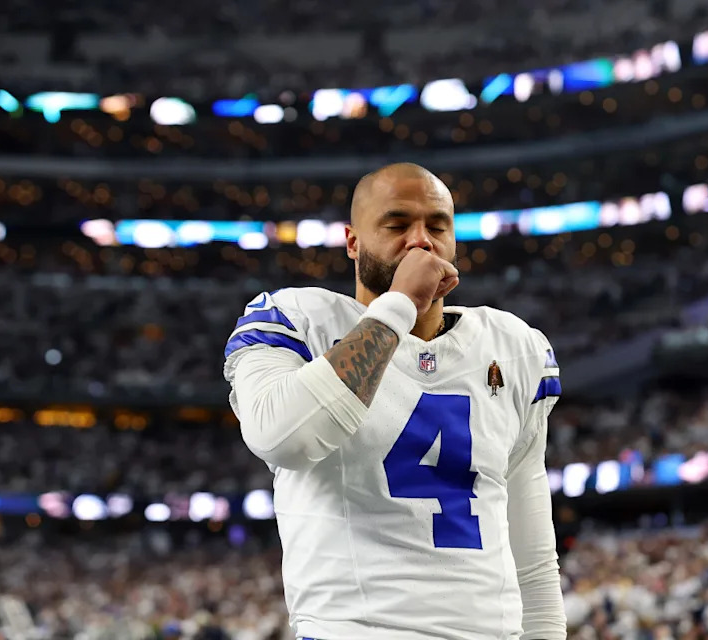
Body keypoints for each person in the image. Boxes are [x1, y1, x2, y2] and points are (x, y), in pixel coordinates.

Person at [223, 163, 567, 640]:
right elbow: (282, 438)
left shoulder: (513, 347)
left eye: (437, 227)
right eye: (397, 225)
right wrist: (400, 305)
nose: (420, 241)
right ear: (352, 242)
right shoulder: (298, 320)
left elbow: (531, 553)